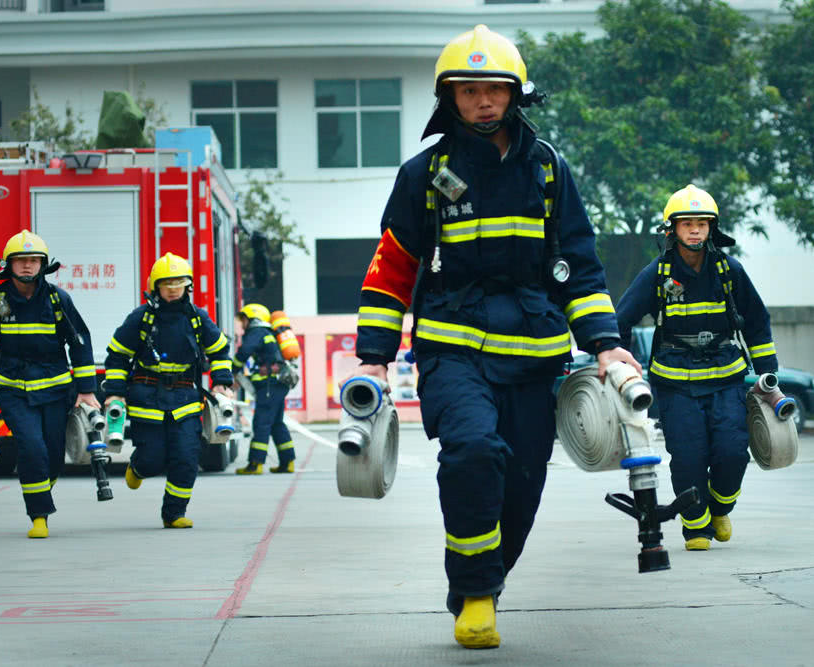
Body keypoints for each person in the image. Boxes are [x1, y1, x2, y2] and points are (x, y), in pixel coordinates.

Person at [341, 24, 640, 649]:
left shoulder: (549, 170)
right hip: (452, 352)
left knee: (523, 486)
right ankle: (475, 593)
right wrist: (373, 359)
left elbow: (580, 267)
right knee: (474, 453)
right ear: (448, 98)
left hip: (535, 359)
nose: (483, 101)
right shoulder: (425, 174)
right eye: (469, 90)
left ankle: (488, 578)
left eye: (494, 90)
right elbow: (393, 269)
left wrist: (605, 342)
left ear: (516, 94)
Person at [615, 184, 779, 552]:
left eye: (701, 224)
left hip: (726, 379)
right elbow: (619, 320)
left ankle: (721, 507)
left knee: (733, 450)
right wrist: (622, 370)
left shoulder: (729, 270)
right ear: (671, 229)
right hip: (675, 385)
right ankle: (696, 527)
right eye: (686, 223)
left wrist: (769, 374)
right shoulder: (657, 274)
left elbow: (757, 321)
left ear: (711, 229)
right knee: (689, 455)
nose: (694, 230)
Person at [0, 231, 99, 538]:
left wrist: (86, 389)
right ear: (8, 265)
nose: (27, 266)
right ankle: (39, 516)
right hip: (14, 390)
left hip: (55, 389)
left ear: (43, 265)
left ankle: (40, 489)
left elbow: (80, 343)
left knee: (52, 452)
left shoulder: (58, 299)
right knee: (31, 447)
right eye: (21, 260)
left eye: (33, 260)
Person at [102, 252, 234, 528]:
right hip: (147, 398)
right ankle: (138, 468)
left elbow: (220, 350)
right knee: (152, 459)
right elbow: (116, 356)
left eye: (179, 284)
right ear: (156, 287)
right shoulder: (141, 319)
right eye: (167, 285)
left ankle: (174, 513)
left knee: (187, 456)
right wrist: (115, 391)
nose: (173, 290)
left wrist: (221, 381)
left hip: (185, 399)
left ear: (188, 287)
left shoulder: (198, 319)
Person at [233, 303, 295, 475]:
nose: (242, 324)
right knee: (276, 423)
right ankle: (287, 462)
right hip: (278, 384)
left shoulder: (257, 332)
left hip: (269, 385)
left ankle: (255, 464)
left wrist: (233, 369)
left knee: (261, 423)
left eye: (244, 319)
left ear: (253, 318)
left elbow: (245, 351)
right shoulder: (269, 333)